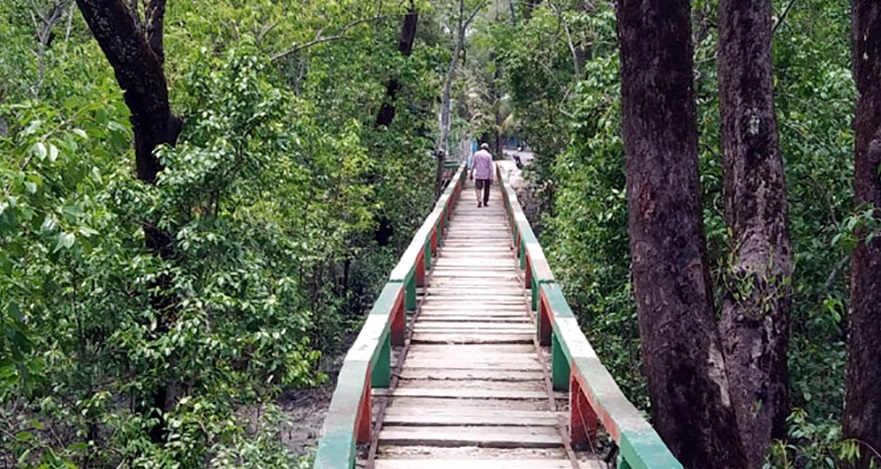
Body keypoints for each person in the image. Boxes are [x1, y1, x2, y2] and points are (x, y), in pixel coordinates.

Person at [469, 142, 494, 207]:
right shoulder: (489, 156)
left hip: (478, 174)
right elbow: (491, 167)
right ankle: (485, 202)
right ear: (487, 149)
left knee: (478, 188)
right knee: (487, 189)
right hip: (486, 175)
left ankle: (479, 199)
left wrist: (471, 173)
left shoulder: (476, 154)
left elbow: (473, 165)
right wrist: (491, 177)